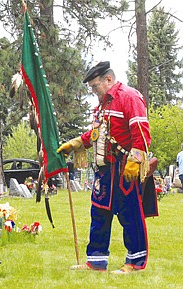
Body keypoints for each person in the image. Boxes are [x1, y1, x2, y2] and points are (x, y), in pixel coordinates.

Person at [57, 61, 151, 274]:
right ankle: (96, 262)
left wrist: (135, 160)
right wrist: (77, 143)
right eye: (91, 88)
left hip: (125, 167)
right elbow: (98, 134)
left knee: (129, 214)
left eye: (95, 86)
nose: (93, 91)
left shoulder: (129, 97)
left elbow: (141, 132)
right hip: (104, 169)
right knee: (99, 213)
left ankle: (135, 263)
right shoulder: (102, 105)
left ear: (108, 79)